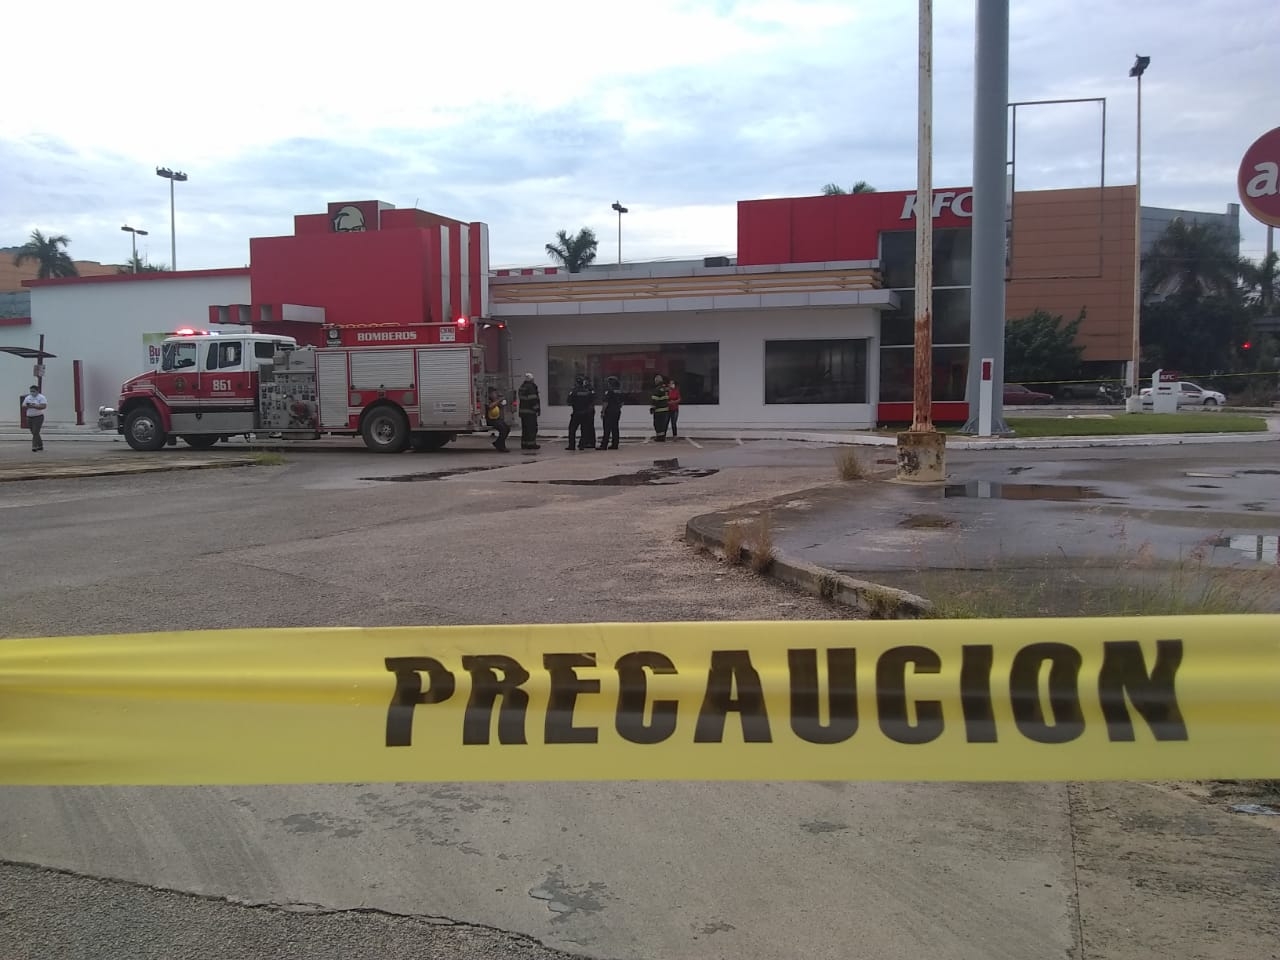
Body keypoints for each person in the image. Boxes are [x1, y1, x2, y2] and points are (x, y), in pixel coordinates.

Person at [566, 375, 596, 450]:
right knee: (584, 430)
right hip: (585, 413)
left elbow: (569, 402)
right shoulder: (587, 391)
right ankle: (582, 445)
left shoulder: (573, 391)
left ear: (576, 382)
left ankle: (571, 445)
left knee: (572, 430)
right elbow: (591, 401)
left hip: (576, 413)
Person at [517, 373, 541, 451]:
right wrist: (537, 409)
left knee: (525, 429)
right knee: (532, 429)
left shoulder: (522, 387)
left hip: (523, 412)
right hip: (530, 412)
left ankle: (524, 444)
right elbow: (533, 399)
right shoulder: (531, 387)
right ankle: (531, 444)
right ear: (531, 379)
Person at [598, 375, 623, 450]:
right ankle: (615, 444)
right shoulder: (619, 391)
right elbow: (622, 403)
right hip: (617, 411)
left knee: (607, 429)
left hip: (609, 412)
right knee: (615, 428)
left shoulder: (609, 391)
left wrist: (603, 411)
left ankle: (604, 445)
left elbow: (606, 402)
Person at [22, 384, 47, 453]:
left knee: (36, 431)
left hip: (38, 417)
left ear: (37, 391)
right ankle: (40, 445)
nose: (32, 392)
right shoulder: (28, 397)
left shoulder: (41, 397)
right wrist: (28, 405)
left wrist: (35, 406)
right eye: (31, 391)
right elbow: (23, 406)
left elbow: (43, 406)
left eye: (33, 391)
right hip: (29, 417)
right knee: (33, 432)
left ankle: (34, 446)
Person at [485, 387, 510, 452]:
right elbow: (490, 406)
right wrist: (498, 400)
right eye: (494, 393)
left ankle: (499, 443)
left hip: (497, 419)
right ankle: (501, 446)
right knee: (503, 429)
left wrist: (502, 401)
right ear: (490, 394)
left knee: (507, 428)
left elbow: (501, 406)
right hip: (490, 420)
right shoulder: (487, 400)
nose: (495, 395)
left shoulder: (495, 401)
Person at [649, 374, 670, 442]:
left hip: (659, 410)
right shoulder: (665, 388)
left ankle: (659, 438)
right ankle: (662, 437)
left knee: (657, 424)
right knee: (663, 425)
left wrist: (652, 408)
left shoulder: (657, 389)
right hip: (665, 410)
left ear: (657, 381)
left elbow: (655, 400)